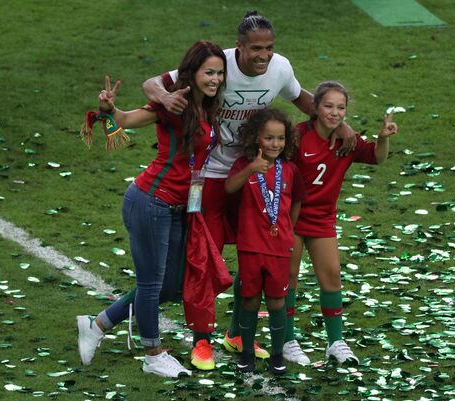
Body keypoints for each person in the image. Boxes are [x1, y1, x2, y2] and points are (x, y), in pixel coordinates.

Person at [142, 11, 357, 370]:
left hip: (253, 175)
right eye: (256, 48)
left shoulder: (280, 68)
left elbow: (301, 97)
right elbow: (153, 83)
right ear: (238, 47)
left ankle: (238, 333)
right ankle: (201, 343)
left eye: (269, 48)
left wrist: (343, 125)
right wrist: (164, 99)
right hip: (207, 175)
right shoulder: (217, 64)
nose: (263, 55)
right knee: (203, 258)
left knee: (253, 253)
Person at [76, 40, 227, 378]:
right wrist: (107, 110)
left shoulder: (209, 107)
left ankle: (97, 324)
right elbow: (128, 119)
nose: (215, 78)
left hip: (177, 207)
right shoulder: (174, 105)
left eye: (219, 73)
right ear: (193, 72)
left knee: (170, 285)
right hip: (151, 201)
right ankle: (153, 354)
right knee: (151, 283)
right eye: (208, 72)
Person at [285, 81, 398, 365]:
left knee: (332, 277)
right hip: (292, 218)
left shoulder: (348, 141)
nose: (334, 113)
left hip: (322, 220)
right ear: (315, 108)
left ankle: (335, 342)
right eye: (328, 106)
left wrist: (383, 137)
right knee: (288, 280)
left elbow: (377, 157)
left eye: (340, 107)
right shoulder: (298, 136)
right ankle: (287, 340)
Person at [224, 108, 305, 375]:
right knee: (249, 300)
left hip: (279, 248)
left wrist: (287, 230)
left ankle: (278, 355)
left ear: (287, 140)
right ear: (256, 137)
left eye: (280, 139)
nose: (275, 144)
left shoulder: (290, 170)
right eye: (269, 138)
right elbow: (229, 188)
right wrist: (251, 168)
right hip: (250, 247)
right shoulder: (243, 165)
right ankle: (247, 353)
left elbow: (296, 202)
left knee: (276, 302)